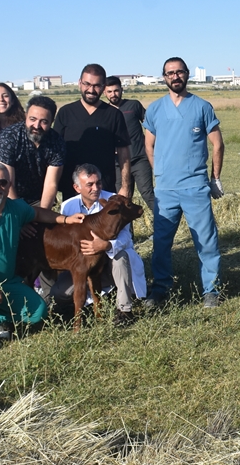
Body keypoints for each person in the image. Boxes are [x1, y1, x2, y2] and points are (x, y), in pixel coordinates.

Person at [0, 162, 84, 355]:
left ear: (9, 185)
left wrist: (65, 219)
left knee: (38, 312)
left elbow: (37, 212)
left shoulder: (14, 208)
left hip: (6, 282)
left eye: (2, 182)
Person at [143, 57, 225, 309]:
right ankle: (160, 289)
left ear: (187, 74)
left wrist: (215, 179)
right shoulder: (155, 109)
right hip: (166, 189)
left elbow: (218, 143)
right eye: (170, 73)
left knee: (206, 241)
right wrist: (160, 172)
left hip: (195, 187)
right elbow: (149, 144)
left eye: (179, 72)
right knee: (161, 243)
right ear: (164, 77)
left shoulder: (201, 107)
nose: (175, 76)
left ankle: (211, 290)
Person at [44, 164, 147, 325]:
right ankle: (79, 308)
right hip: (83, 264)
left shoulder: (115, 201)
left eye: (98, 183)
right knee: (59, 292)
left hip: (110, 260)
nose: (96, 188)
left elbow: (127, 237)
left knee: (121, 257)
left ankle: (124, 311)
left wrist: (106, 245)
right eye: (90, 184)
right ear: (77, 187)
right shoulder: (68, 206)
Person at [52, 64, 133, 202]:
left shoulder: (113, 115)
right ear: (79, 83)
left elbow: (123, 154)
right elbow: (54, 152)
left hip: (104, 187)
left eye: (96, 85)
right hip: (72, 189)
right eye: (87, 84)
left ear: (103, 87)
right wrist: (52, 187)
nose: (91, 90)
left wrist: (125, 186)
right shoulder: (66, 113)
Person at [0, 95, 65, 206]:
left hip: (37, 199)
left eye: (44, 121)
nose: (36, 126)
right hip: (4, 198)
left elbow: (51, 184)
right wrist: (21, 215)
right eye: (32, 119)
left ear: (52, 121)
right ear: (25, 116)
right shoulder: (9, 137)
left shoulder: (57, 141)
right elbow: (7, 183)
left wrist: (43, 216)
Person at [104, 75, 155, 213]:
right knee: (122, 199)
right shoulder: (103, 112)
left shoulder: (134, 105)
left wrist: (152, 146)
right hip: (118, 164)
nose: (113, 94)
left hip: (140, 159)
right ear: (104, 92)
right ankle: (127, 234)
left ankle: (164, 228)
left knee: (147, 194)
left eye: (116, 90)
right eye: (109, 91)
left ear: (121, 90)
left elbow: (150, 126)